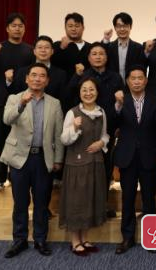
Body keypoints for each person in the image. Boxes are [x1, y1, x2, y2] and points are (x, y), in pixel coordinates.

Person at [1, 63, 63, 258]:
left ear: (47, 80)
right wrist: (22, 104)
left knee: (42, 203)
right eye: (34, 75)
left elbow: (58, 134)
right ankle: (19, 240)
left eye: (42, 76)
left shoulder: (54, 103)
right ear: (27, 78)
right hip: (19, 157)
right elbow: (6, 119)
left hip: (43, 158)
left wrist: (58, 159)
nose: (37, 79)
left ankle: (40, 239)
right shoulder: (14, 98)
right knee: (20, 202)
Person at [66, 42, 123, 219]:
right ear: (88, 57)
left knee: (104, 170)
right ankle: (83, 208)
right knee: (84, 171)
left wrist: (118, 125)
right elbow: (70, 96)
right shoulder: (83, 76)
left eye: (101, 53)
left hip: (107, 130)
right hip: (83, 129)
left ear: (107, 57)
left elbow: (121, 104)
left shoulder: (115, 77)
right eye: (94, 53)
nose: (98, 57)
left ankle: (101, 206)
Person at [113, 66, 156, 254]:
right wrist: (117, 106)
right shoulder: (121, 100)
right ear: (127, 81)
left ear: (145, 80)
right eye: (133, 78)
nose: (136, 81)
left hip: (149, 156)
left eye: (140, 78)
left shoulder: (155, 101)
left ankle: (153, 238)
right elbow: (113, 124)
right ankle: (127, 238)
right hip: (127, 157)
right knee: (127, 198)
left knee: (149, 199)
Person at [0, 12, 34, 192]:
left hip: (24, 100)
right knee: (0, 140)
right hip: (2, 100)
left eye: (20, 26)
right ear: (7, 28)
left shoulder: (29, 50)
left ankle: (16, 177)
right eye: (14, 26)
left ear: (24, 29)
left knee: (22, 139)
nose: (17, 29)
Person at [59, 77, 109, 256]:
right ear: (79, 93)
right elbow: (64, 139)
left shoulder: (101, 112)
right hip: (77, 165)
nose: (88, 93)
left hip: (95, 163)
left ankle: (85, 239)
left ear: (97, 92)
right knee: (76, 203)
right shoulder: (72, 113)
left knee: (90, 201)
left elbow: (105, 135)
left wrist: (101, 143)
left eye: (91, 89)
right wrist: (74, 127)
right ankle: (75, 241)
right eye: (84, 90)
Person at [10, 36, 67, 111]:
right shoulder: (22, 72)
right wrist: (9, 81)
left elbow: (63, 99)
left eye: (47, 47)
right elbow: (16, 94)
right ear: (34, 51)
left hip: (50, 113)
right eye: (40, 47)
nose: (43, 50)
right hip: (26, 112)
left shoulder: (61, 74)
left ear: (52, 51)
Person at [102, 12, 146, 81]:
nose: (122, 29)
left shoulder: (138, 48)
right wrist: (106, 39)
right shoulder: (109, 47)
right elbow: (101, 59)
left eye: (125, 26)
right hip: (112, 85)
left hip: (132, 86)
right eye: (119, 26)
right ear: (115, 28)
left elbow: (142, 69)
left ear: (130, 27)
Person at [52, 12, 91, 79]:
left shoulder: (90, 47)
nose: (73, 29)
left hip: (86, 83)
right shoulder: (57, 45)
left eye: (77, 26)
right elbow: (53, 65)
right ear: (65, 28)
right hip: (63, 84)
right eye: (70, 26)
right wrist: (61, 48)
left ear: (83, 28)